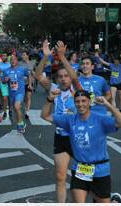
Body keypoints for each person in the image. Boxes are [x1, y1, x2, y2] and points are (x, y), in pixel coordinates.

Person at [41, 89, 121, 203]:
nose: (80, 104)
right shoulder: (70, 119)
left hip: (100, 170)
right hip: (80, 170)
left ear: (89, 102)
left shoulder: (100, 119)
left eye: (83, 101)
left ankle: (114, 201)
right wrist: (49, 100)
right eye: (77, 101)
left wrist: (108, 105)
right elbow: (45, 116)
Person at [35, 40, 81, 203]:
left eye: (65, 76)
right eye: (60, 76)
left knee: (82, 178)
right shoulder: (53, 88)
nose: (63, 79)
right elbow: (38, 75)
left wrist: (62, 57)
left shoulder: (76, 89)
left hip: (79, 137)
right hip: (61, 137)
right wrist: (45, 57)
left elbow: (74, 77)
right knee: (60, 176)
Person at [2, 55, 31, 133]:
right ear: (10, 61)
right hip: (11, 92)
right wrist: (5, 80)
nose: (13, 61)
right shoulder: (6, 71)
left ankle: (20, 124)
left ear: (17, 61)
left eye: (14, 59)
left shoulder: (22, 69)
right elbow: (3, 81)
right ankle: (20, 122)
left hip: (20, 91)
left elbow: (29, 74)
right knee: (16, 109)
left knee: (17, 106)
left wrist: (30, 84)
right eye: (11, 60)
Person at [18, 51, 35, 120]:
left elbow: (34, 73)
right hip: (22, 83)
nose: (23, 56)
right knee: (24, 98)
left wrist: (32, 72)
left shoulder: (32, 63)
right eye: (22, 55)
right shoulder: (19, 63)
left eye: (24, 55)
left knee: (28, 96)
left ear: (27, 56)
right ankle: (26, 106)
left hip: (29, 83)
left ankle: (27, 111)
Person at [0, 52, 11, 119]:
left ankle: (10, 110)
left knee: (10, 98)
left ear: (7, 57)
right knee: (4, 98)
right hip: (3, 83)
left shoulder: (11, 64)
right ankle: (5, 112)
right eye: (3, 56)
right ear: (1, 57)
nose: (4, 57)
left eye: (5, 56)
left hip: (11, 83)